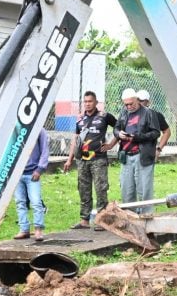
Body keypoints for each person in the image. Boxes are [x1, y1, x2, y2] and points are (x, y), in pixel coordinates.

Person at [63, 91, 117, 230]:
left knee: (101, 189)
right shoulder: (80, 120)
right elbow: (75, 140)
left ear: (96, 102)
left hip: (98, 159)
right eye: (85, 101)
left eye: (90, 101)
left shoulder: (104, 117)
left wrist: (111, 144)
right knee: (83, 189)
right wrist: (69, 160)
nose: (87, 104)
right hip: (82, 159)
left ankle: (101, 220)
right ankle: (84, 220)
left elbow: (119, 129)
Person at [114, 88, 162, 213]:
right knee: (127, 189)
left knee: (144, 189)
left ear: (137, 100)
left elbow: (156, 132)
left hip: (142, 155)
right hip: (126, 155)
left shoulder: (148, 113)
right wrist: (119, 134)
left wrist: (138, 137)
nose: (129, 106)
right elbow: (116, 128)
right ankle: (130, 216)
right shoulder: (124, 112)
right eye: (126, 104)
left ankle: (147, 217)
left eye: (131, 104)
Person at [14, 129, 49, 241]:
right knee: (20, 202)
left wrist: (40, 169)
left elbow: (45, 150)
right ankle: (24, 229)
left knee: (36, 202)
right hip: (17, 173)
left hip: (32, 173)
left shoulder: (39, 130)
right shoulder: (14, 129)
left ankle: (38, 230)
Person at [137, 89, 171, 154]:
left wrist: (158, 150)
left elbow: (167, 132)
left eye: (141, 100)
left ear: (148, 102)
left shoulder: (156, 115)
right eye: (137, 100)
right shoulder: (129, 114)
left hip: (147, 153)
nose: (138, 103)